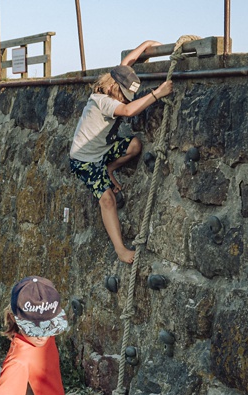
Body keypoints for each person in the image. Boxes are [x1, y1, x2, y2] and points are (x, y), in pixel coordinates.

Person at [68, 40, 175, 264]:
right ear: (114, 87)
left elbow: (126, 63)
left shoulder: (115, 79)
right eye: (124, 93)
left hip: (102, 152)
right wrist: (158, 93)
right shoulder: (103, 100)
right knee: (107, 199)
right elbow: (127, 111)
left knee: (134, 145)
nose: (126, 98)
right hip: (85, 161)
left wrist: (144, 45)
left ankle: (108, 169)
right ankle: (120, 249)